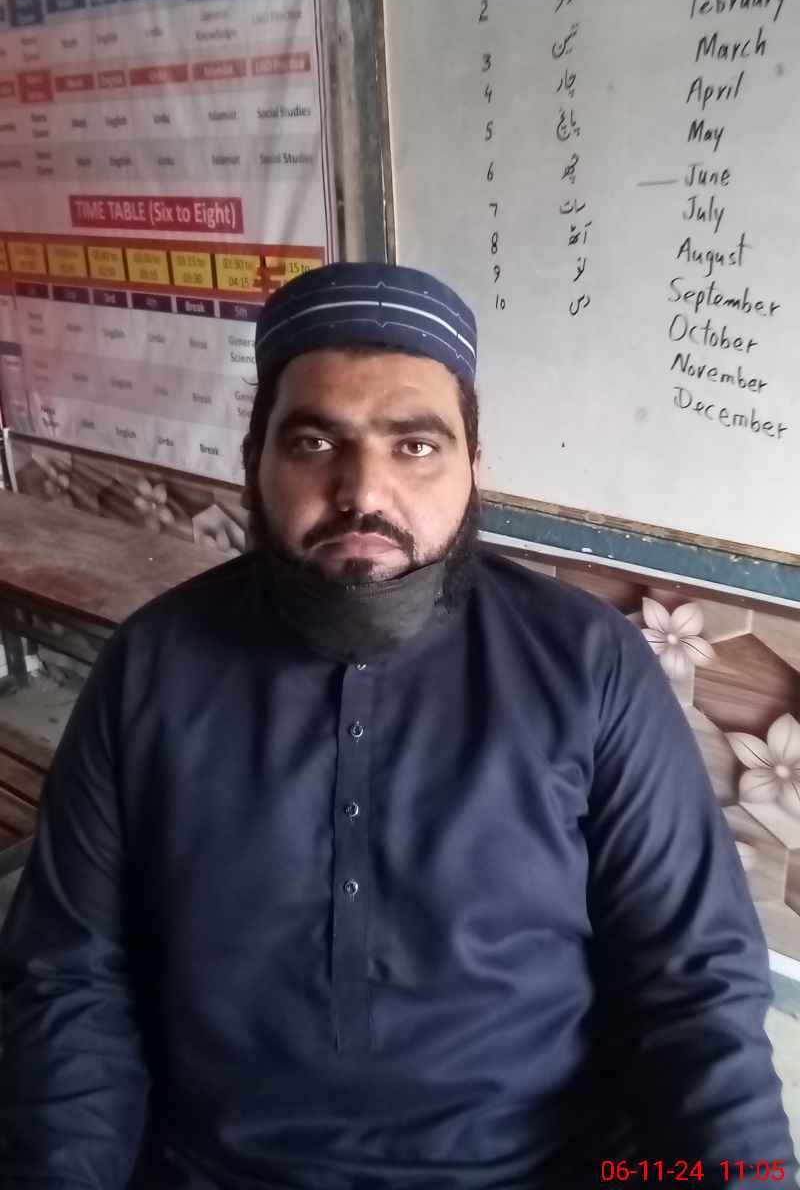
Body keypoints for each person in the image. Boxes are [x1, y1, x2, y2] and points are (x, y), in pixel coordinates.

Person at [0, 262, 795, 1190]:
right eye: (314, 442)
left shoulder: (590, 666)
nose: (363, 493)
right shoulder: (151, 665)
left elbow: (696, 979)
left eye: (415, 445)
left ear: (474, 468)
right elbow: (70, 980)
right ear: (255, 458)